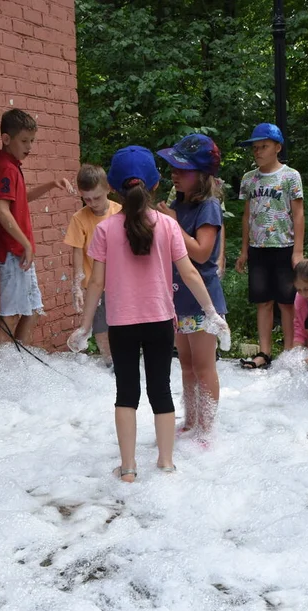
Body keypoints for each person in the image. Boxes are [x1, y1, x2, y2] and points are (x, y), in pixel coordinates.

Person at [67, 146, 229, 481]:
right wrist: (212, 312)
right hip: (159, 322)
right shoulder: (168, 227)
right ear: (154, 185)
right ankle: (166, 462)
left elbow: (96, 283)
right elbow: (190, 274)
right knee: (161, 389)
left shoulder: (105, 229)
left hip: (121, 323)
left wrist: (84, 327)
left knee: (126, 393)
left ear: (113, 187)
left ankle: (128, 469)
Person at [155, 134, 227, 440]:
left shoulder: (208, 207)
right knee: (185, 365)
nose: (174, 173)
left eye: (181, 169)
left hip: (202, 299)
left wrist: (172, 223)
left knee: (203, 366)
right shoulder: (178, 203)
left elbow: (200, 252)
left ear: (201, 175)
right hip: (178, 298)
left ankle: (207, 429)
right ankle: (191, 420)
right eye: (172, 167)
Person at [0, 109, 74, 346]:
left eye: (32, 141)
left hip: (20, 252)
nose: (30, 146)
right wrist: (26, 243)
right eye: (24, 141)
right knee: (11, 316)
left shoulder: (13, 166)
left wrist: (50, 184)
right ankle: (2, 371)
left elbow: (21, 198)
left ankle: (20, 363)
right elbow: (1, 211)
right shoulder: (5, 168)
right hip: (13, 252)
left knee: (32, 310)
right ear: (6, 139)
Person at [235, 123, 305, 370]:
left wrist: (298, 250)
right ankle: (264, 351)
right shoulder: (249, 179)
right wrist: (244, 251)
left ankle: (288, 352)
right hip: (258, 247)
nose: (258, 151)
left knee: (286, 301)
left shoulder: (290, 176)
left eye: (263, 146)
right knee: (263, 301)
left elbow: (298, 215)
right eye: (254, 147)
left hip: (284, 246)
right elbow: (246, 216)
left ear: (277, 147)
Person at [64, 164, 121, 367]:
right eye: (86, 199)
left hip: (120, 284)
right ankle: (110, 366)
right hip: (94, 285)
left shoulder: (120, 213)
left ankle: (124, 363)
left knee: (122, 328)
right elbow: (77, 252)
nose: (92, 203)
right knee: (101, 329)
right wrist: (77, 285)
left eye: (96, 198)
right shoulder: (79, 218)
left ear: (108, 188)